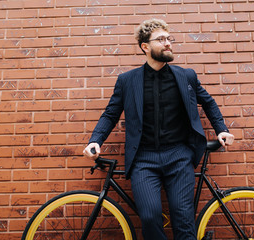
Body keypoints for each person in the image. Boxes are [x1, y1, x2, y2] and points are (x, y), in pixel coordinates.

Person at [83, 19, 234, 240]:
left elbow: (208, 102)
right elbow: (111, 113)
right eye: (161, 40)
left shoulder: (186, 76)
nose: (168, 44)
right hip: (143, 159)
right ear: (145, 46)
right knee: (150, 217)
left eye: (169, 39)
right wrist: (96, 140)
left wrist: (221, 129)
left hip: (179, 156)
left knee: (183, 219)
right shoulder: (127, 81)